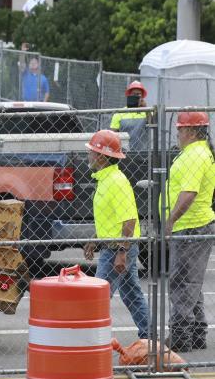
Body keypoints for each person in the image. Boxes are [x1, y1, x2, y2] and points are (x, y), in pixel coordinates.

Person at [82, 129, 150, 341]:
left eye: (92, 152)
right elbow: (109, 217)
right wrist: (95, 239)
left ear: (101, 157)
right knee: (132, 295)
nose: (89, 156)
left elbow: (128, 219)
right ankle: (150, 337)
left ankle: (90, 340)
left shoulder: (116, 182)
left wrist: (122, 252)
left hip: (117, 249)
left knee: (98, 296)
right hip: (114, 245)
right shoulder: (106, 179)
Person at [160, 110, 215, 352]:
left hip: (190, 225)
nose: (178, 133)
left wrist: (171, 220)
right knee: (191, 283)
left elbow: (189, 193)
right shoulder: (199, 152)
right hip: (193, 225)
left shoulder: (195, 155)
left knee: (182, 283)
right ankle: (197, 333)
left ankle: (181, 337)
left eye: (180, 129)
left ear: (192, 131)